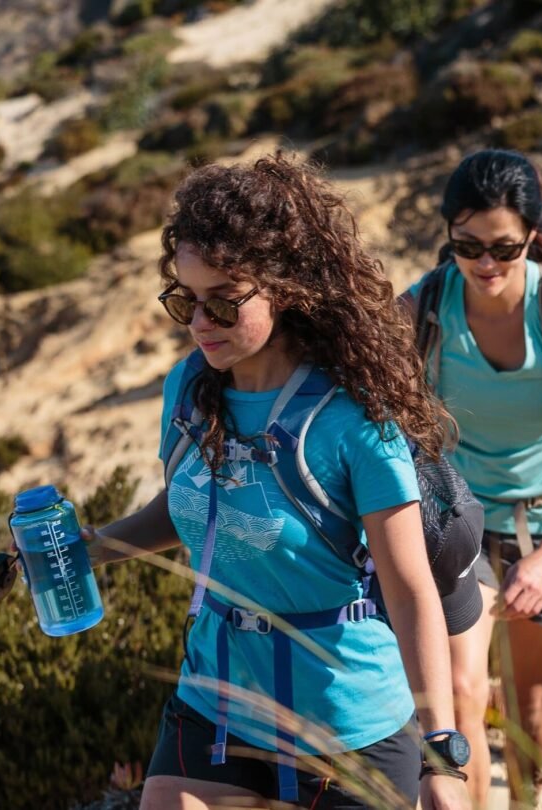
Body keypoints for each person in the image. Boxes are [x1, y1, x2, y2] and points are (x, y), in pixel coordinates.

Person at [82, 154, 469, 810]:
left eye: (224, 303)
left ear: (283, 288)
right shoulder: (187, 390)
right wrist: (82, 547)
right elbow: (186, 509)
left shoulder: (354, 423)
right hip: (217, 703)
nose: (201, 323)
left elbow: (408, 590)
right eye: (186, 301)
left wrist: (441, 746)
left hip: (347, 723)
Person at [400, 150, 542, 803]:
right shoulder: (424, 307)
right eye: (466, 245)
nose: (485, 265)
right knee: (463, 694)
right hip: (459, 523)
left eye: (503, 247)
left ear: (533, 234)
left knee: (532, 704)